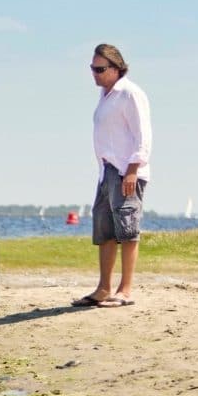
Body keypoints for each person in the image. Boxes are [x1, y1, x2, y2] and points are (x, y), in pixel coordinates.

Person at [73, 43, 152, 308]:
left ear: (116, 68)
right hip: (105, 171)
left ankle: (125, 289)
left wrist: (132, 171)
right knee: (104, 230)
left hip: (125, 170)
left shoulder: (130, 93)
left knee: (128, 229)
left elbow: (144, 136)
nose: (94, 74)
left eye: (100, 69)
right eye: (92, 69)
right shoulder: (106, 95)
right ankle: (104, 288)